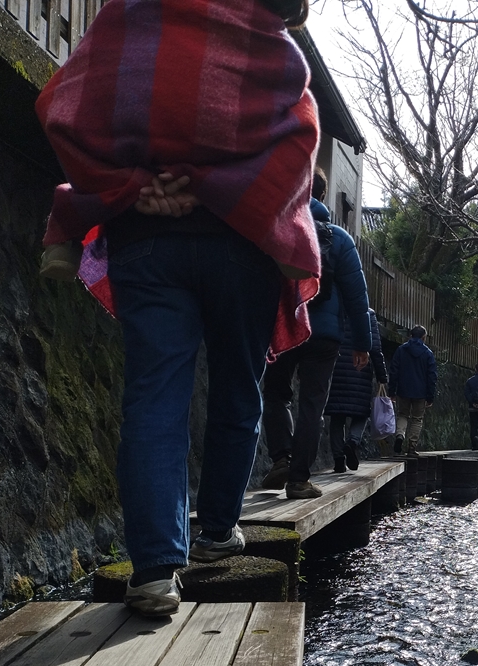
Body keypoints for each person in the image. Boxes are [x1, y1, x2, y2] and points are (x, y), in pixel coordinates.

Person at [34, 0, 321, 617]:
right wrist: (219, 191)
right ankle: (217, 529)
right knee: (240, 386)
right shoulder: (269, 44)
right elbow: (298, 146)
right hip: (239, 243)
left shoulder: (127, 18)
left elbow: (70, 105)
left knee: (154, 394)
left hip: (147, 238)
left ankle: (156, 568)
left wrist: (134, 186)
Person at [262, 170, 371, 498]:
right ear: (322, 196)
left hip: (284, 326)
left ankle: (281, 456)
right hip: (324, 335)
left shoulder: (278, 229)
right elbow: (357, 295)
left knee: (276, 392)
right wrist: (363, 344)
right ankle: (298, 480)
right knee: (312, 403)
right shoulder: (339, 238)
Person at [327, 308, 388, 472]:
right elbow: (375, 348)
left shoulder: (335, 309)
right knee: (362, 413)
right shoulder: (367, 314)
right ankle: (353, 441)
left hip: (336, 368)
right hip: (359, 368)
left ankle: (339, 460)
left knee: (337, 416)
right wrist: (382, 377)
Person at [389, 325, 438, 455]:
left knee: (402, 414)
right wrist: (430, 396)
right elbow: (432, 376)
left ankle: (400, 435)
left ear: (410, 336)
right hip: (420, 392)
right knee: (417, 419)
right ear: (424, 337)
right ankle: (412, 446)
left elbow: (394, 371)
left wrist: (392, 391)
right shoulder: (428, 353)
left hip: (403, 389)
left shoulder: (401, 350)